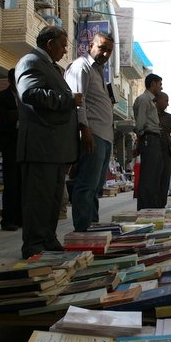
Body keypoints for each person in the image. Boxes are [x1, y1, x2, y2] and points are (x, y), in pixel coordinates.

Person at [15, 26, 88, 259]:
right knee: (38, 198)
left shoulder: (51, 67)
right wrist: (68, 99)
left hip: (55, 149)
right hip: (41, 146)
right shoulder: (31, 61)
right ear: (50, 44)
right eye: (63, 44)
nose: (65, 49)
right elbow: (30, 94)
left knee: (53, 199)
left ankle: (47, 237)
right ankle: (34, 243)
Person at [65, 32, 115, 232]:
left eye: (109, 50)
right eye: (102, 48)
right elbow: (78, 102)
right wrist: (84, 131)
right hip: (92, 134)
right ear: (90, 46)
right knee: (86, 185)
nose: (105, 53)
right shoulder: (81, 66)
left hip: (104, 136)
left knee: (95, 186)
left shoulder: (98, 71)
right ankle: (82, 230)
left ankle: (91, 226)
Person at [0, 68, 21, 231]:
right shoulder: (1, 97)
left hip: (24, 142)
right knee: (11, 183)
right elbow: (2, 118)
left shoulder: (26, 96)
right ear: (10, 81)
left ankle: (20, 218)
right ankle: (8, 219)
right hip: (10, 144)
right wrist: (20, 113)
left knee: (22, 182)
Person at [133, 73, 163, 210]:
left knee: (155, 176)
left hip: (154, 139)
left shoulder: (151, 101)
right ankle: (144, 209)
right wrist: (141, 141)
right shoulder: (144, 99)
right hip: (149, 139)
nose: (161, 87)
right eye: (160, 84)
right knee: (148, 177)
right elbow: (140, 125)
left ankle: (151, 208)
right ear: (153, 84)